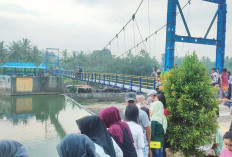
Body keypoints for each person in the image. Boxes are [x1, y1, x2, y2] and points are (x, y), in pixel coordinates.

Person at [123, 92, 151, 157]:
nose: (130, 104)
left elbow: (148, 129)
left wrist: (147, 142)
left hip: (141, 144)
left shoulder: (143, 113)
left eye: (132, 102)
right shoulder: (124, 111)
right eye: (129, 102)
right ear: (125, 101)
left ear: (136, 101)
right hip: (130, 144)